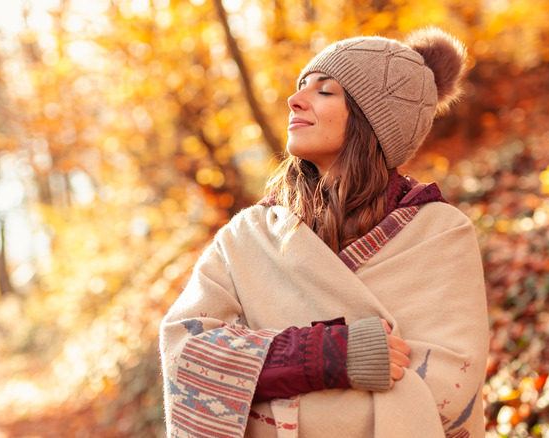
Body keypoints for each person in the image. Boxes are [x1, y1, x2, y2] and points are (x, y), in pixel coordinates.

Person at [160, 26, 489, 438]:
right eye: (301, 87)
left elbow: (446, 391)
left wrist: (259, 394)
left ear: (375, 121)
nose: (293, 99)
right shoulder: (245, 237)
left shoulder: (440, 233)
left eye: (325, 91)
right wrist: (324, 356)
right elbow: (186, 356)